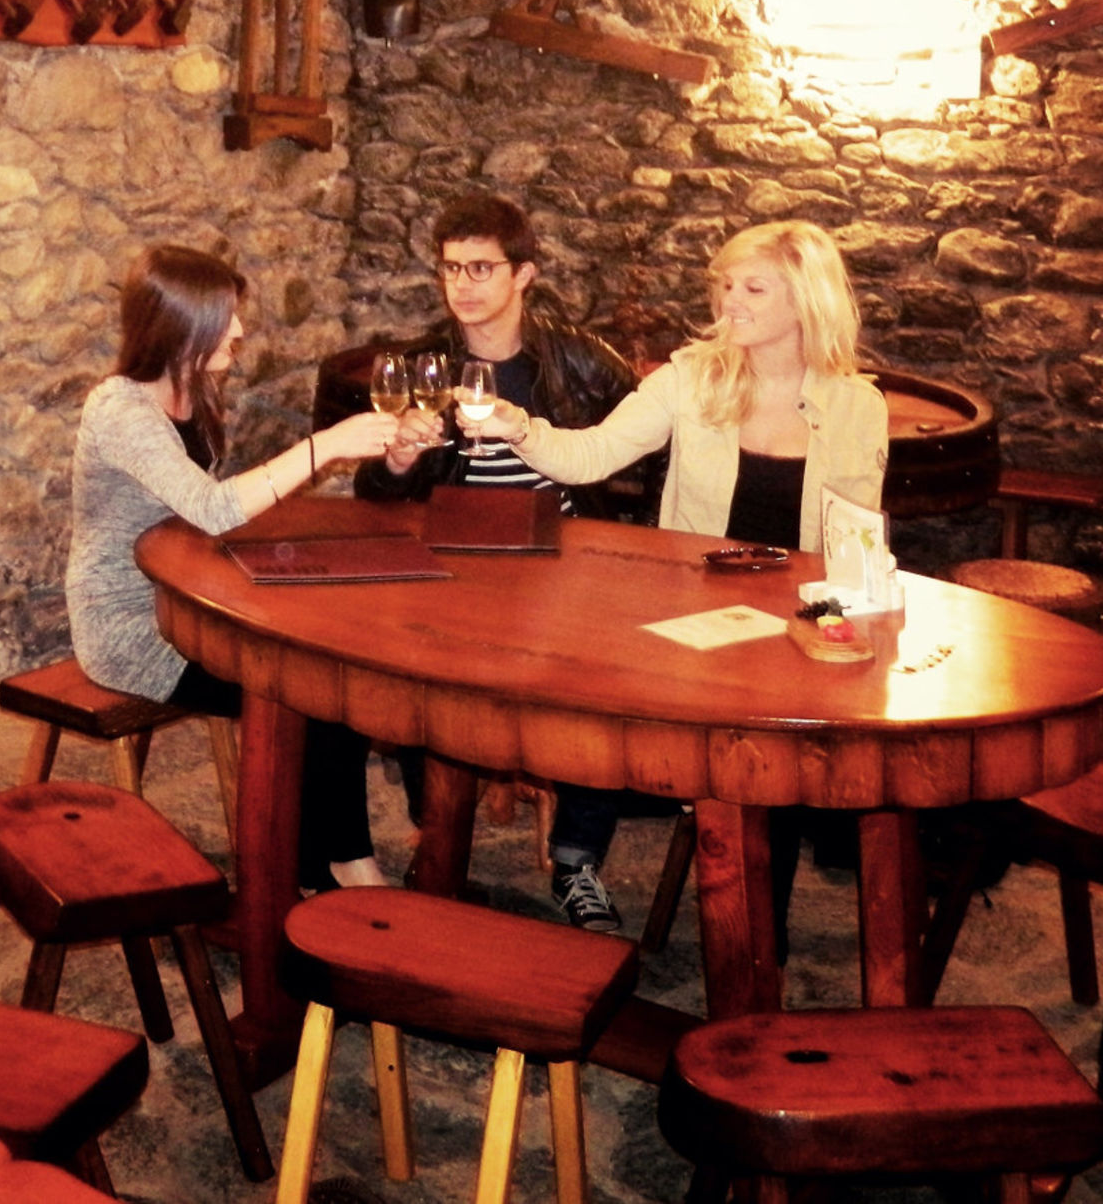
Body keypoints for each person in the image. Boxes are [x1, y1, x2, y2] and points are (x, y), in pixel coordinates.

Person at [474, 218, 889, 943]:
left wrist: (847, 623)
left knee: (784, 749)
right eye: (725, 284)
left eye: (753, 288)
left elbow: (855, 541)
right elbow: (590, 455)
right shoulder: (689, 378)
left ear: (806, 299)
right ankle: (575, 860)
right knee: (606, 684)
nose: (730, 300)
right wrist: (519, 428)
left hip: (791, 625)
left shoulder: (858, 405)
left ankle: (757, 940)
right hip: (689, 607)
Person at [313, 191, 662, 932]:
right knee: (408, 659)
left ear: (523, 274)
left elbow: (647, 450)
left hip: (561, 551)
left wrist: (637, 549)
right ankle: (434, 828)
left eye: (481, 268)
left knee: (600, 681)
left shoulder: (581, 360)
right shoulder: (425, 364)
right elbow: (378, 493)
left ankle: (576, 860)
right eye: (450, 269)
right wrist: (399, 460)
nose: (463, 285)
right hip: (455, 553)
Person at [67, 243, 400, 890]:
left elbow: (208, 514)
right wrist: (326, 445)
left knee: (335, 669)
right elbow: (214, 508)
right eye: (226, 318)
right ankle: (319, 870)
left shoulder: (191, 388)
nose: (240, 330)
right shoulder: (120, 411)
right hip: (134, 628)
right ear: (179, 324)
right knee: (311, 690)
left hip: (187, 593)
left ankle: (328, 862)